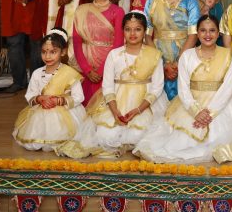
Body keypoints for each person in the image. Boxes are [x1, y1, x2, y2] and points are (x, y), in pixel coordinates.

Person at [134, 15, 232, 163]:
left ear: (218, 33)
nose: (208, 35)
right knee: (181, 143)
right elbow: (183, 88)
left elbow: (228, 88)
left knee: (222, 139)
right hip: (191, 104)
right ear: (197, 33)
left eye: (212, 30)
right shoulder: (187, 56)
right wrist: (196, 111)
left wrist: (210, 113)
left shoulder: (228, 56)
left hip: (221, 105)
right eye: (203, 31)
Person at [56, 11, 166, 158]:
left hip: (145, 103)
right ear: (122, 31)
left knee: (141, 135)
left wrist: (138, 110)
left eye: (137, 29)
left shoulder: (154, 55)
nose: (132, 33)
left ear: (145, 31)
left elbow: (157, 87)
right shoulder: (114, 55)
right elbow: (107, 86)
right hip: (117, 102)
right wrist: (115, 111)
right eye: (128, 29)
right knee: (105, 136)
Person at [13, 28, 85, 151]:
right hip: (41, 109)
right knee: (34, 142)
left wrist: (60, 101)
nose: (47, 56)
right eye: (44, 52)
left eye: (53, 52)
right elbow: (30, 93)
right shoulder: (36, 73)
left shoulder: (70, 73)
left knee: (67, 137)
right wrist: (40, 98)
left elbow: (79, 97)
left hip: (65, 111)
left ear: (63, 52)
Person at [144, 0, 200, 101]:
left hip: (185, 53)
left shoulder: (190, 2)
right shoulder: (152, 1)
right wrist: (161, 63)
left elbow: (193, 35)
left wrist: (177, 63)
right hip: (157, 54)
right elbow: (147, 35)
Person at [72, 0, 125, 104]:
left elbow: (118, 43)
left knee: (105, 105)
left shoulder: (118, 11)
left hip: (108, 63)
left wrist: (102, 70)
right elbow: (77, 42)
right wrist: (87, 69)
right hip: (86, 63)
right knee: (85, 105)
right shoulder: (81, 10)